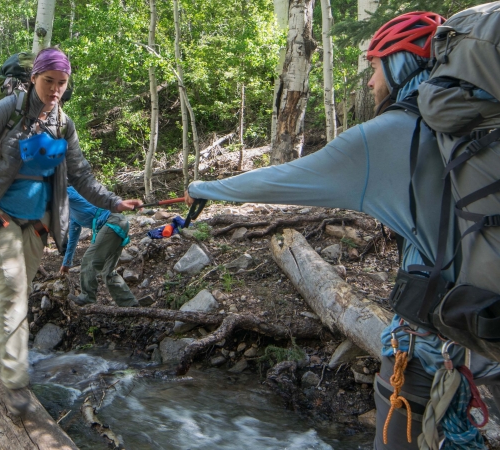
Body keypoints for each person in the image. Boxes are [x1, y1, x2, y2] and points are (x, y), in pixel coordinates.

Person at [183, 11, 500, 450]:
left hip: (430, 350)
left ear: (400, 64)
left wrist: (203, 187)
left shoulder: (388, 137)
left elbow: (283, 179)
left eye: (374, 66)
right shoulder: (480, 133)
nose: (370, 81)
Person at [0, 47, 143, 416]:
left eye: (61, 83)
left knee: (20, 291)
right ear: (34, 78)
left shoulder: (64, 123)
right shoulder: (10, 108)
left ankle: (8, 360)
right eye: (48, 81)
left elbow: (81, 174)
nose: (54, 89)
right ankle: (15, 381)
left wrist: (115, 203)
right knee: (14, 286)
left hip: (36, 224)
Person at [62, 186, 138, 307]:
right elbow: (73, 239)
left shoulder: (69, 191)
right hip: (115, 225)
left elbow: (59, 192)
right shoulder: (72, 216)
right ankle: (130, 305)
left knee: (89, 260)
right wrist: (66, 263)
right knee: (107, 272)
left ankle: (87, 297)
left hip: (113, 221)